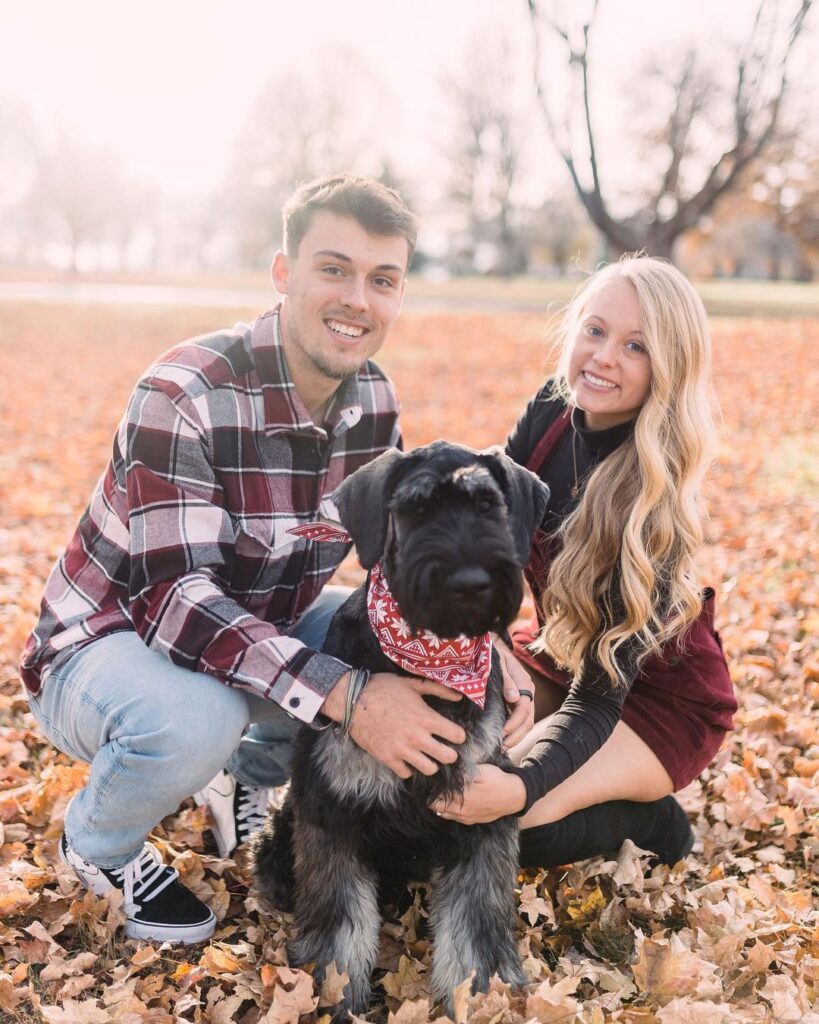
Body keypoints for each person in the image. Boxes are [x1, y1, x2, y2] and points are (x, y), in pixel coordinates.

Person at [20, 174, 533, 944]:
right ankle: (100, 844)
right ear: (284, 274)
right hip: (104, 649)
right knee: (203, 714)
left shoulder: (374, 401)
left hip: (255, 626)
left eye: (381, 279)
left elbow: (398, 562)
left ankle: (249, 781)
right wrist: (352, 697)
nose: (357, 298)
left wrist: (481, 644)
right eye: (333, 269)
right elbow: (175, 603)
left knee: (377, 644)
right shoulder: (186, 391)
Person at [431, 256, 736, 869]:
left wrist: (521, 787)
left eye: (636, 346)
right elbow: (493, 554)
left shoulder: (653, 504)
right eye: (595, 331)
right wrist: (490, 657)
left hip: (653, 702)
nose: (603, 357)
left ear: (668, 369)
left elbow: (600, 700)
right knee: (439, 755)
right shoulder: (550, 413)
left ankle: (656, 823)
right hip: (559, 653)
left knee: (502, 816)